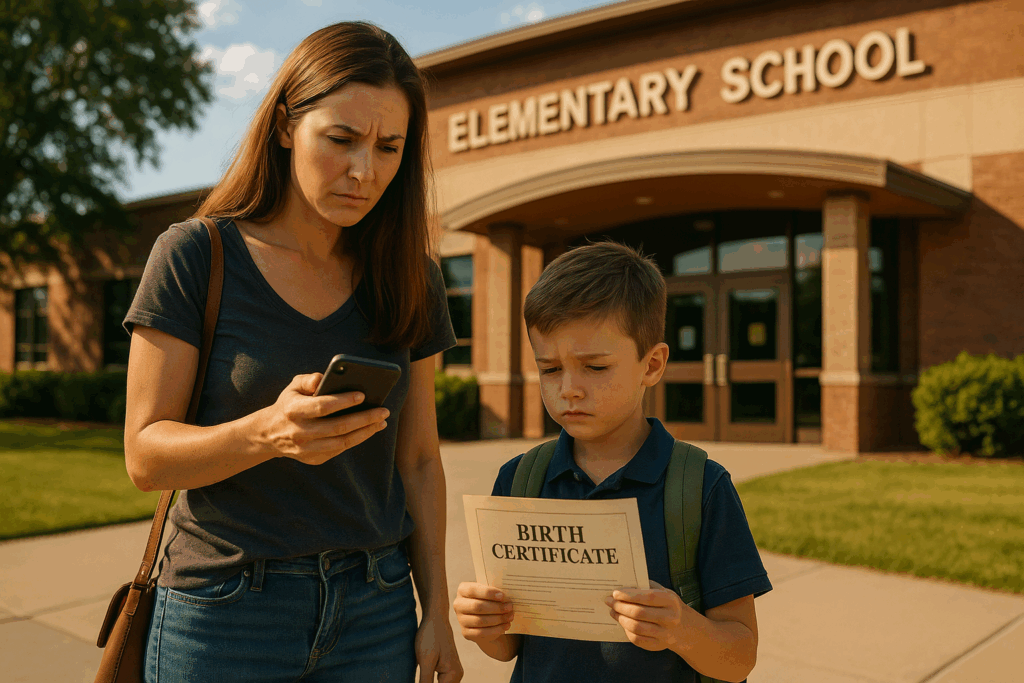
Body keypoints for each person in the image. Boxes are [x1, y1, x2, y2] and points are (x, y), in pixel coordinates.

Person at [123, 21, 463, 683]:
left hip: (376, 610)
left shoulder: (411, 276)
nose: (364, 171)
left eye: (389, 147)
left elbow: (419, 458)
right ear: (285, 125)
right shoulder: (196, 255)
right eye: (341, 139)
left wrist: (438, 608)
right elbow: (145, 454)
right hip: (223, 613)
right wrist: (267, 433)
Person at [453, 241, 772, 682]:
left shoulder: (700, 486)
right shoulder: (521, 478)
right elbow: (508, 646)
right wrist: (483, 624)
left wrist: (682, 628)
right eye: (549, 369)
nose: (569, 388)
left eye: (595, 368)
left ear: (653, 364)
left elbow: (739, 658)